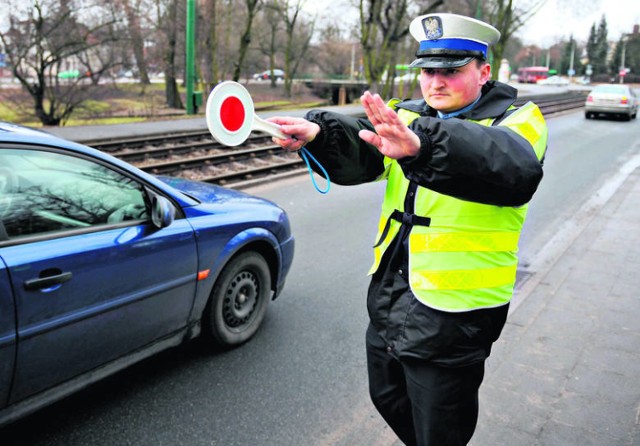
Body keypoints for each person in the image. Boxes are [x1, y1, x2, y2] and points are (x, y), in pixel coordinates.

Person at [268, 13, 548, 446]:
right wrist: (318, 134)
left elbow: (509, 165)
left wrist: (422, 145)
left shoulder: (518, 120)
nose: (435, 82)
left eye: (451, 71)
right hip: (393, 295)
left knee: (441, 429)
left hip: (457, 312)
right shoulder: (409, 114)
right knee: (387, 397)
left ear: (484, 71)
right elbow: (363, 142)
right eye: (427, 71)